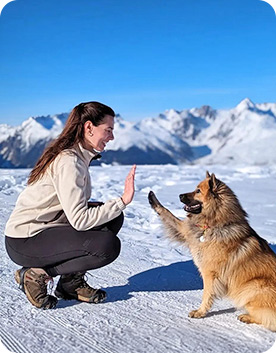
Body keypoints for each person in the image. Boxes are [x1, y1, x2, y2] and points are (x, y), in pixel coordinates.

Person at [5, 101, 136, 309]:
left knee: (112, 217)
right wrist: (122, 201)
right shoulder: (70, 161)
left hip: (45, 229)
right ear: (89, 127)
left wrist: (112, 208)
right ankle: (35, 274)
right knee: (107, 246)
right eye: (108, 130)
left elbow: (74, 209)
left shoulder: (77, 156)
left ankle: (70, 284)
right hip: (25, 239)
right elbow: (80, 220)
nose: (112, 137)